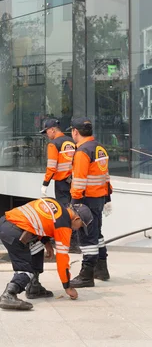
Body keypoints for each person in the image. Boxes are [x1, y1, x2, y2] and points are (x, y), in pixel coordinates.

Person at [0, 198, 92, 310]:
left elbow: (38, 222)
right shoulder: (64, 226)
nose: (78, 229)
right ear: (77, 218)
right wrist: (67, 286)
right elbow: (62, 259)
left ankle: (34, 287)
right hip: (15, 233)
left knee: (37, 246)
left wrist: (46, 242)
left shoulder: (54, 202)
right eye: (80, 226)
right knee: (26, 270)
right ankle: (9, 294)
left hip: (4, 223)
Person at [68, 117, 113, 287]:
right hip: (99, 198)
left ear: (75, 132)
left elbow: (79, 180)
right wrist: (107, 197)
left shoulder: (82, 151)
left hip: (85, 199)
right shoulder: (99, 148)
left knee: (87, 237)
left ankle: (86, 275)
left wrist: (74, 204)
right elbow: (105, 175)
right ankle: (101, 269)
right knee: (96, 233)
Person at [39, 118, 80, 253]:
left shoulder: (53, 144)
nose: (47, 135)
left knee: (63, 212)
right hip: (74, 182)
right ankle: (76, 242)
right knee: (75, 209)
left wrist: (45, 184)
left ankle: (68, 242)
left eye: (46, 132)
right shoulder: (72, 141)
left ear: (52, 129)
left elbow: (51, 167)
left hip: (62, 183)